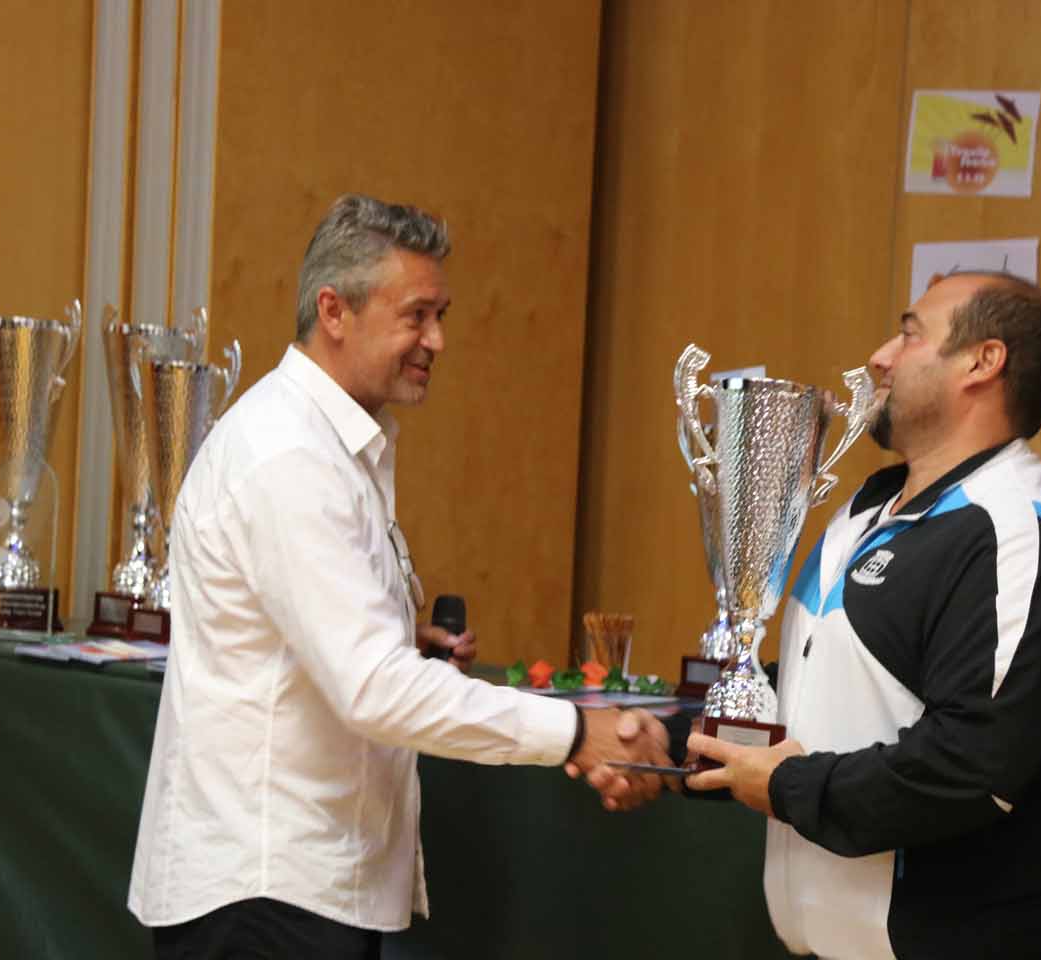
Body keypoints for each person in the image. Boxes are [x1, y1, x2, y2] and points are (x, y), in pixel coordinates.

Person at [128, 194, 666, 959]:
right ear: (334, 311)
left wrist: (400, 640)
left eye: (440, 315)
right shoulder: (290, 456)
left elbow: (316, 651)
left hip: (293, 887)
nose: (437, 340)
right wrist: (578, 731)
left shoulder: (328, 440)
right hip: (266, 896)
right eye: (416, 315)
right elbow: (373, 688)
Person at [598, 272, 1041, 958]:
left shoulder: (1015, 534)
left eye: (909, 335)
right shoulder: (866, 509)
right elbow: (812, 693)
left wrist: (785, 786)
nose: (879, 357)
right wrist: (675, 745)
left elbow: (971, 770)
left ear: (983, 362)